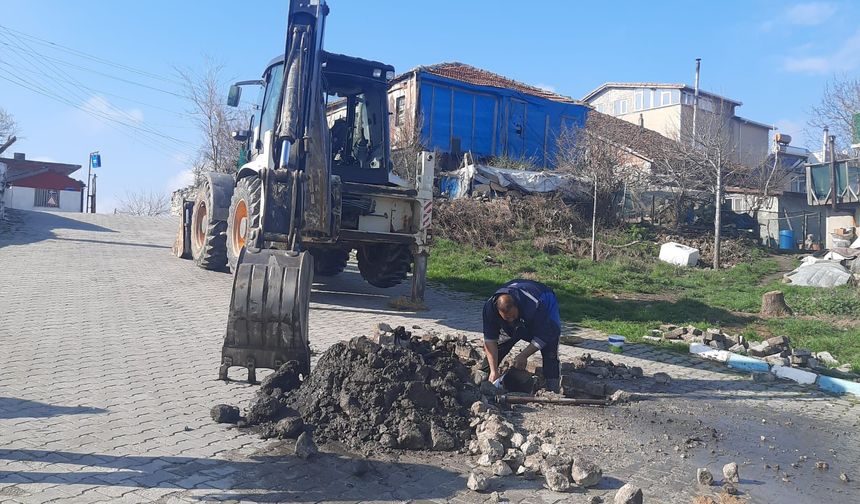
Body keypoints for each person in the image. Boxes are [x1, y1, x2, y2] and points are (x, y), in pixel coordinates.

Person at [482, 279, 561, 392]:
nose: (511, 319)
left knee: (550, 349)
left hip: (545, 304)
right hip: (522, 312)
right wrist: (494, 370)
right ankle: (482, 379)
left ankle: (553, 390)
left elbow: (545, 334)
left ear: (517, 306)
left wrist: (524, 355)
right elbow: (490, 340)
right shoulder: (489, 308)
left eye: (513, 316)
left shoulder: (534, 304)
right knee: (502, 343)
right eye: (507, 318)